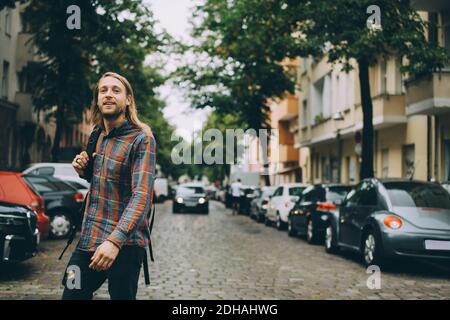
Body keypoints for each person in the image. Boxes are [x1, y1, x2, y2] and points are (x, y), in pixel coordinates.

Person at [61, 72, 156, 300]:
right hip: (89, 239)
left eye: (116, 90)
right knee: (71, 292)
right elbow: (102, 181)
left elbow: (141, 196)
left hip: (125, 244)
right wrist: (84, 171)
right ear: (97, 99)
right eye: (103, 90)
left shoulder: (141, 138)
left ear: (128, 99)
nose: (108, 95)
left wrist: (114, 241)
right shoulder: (97, 134)